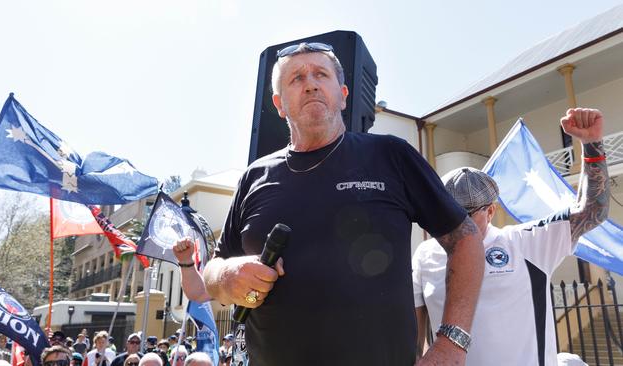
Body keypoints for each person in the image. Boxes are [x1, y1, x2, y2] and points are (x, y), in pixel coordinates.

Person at [201, 42, 485, 366]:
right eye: (296, 78)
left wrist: (452, 343)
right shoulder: (255, 176)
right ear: (279, 104)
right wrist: (226, 276)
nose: (310, 83)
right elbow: (212, 268)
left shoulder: (391, 156)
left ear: (343, 93)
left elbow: (466, 239)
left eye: (321, 74)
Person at [412, 108, 609, 366]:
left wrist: (591, 143)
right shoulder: (425, 254)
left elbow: (593, 209)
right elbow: (414, 336)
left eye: (466, 213)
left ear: (491, 211)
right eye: (445, 211)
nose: (452, 221)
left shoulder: (527, 242)